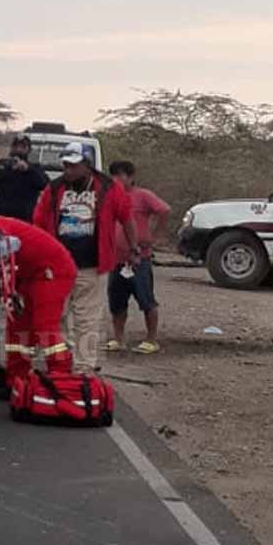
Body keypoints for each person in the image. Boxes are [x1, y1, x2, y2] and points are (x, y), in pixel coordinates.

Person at [33, 142, 138, 372]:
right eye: (65, 165)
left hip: (92, 266)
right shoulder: (54, 188)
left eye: (73, 165)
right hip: (58, 266)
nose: (68, 170)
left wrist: (134, 247)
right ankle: (61, 361)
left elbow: (126, 217)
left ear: (87, 165)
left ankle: (84, 367)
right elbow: (39, 222)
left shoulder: (109, 188)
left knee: (87, 319)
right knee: (55, 317)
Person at [0, 216, 78, 386]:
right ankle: (16, 378)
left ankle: (61, 375)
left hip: (52, 270)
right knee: (17, 326)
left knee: (45, 327)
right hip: (28, 273)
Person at [104, 161, 171, 355]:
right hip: (116, 259)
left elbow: (164, 210)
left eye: (122, 175)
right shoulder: (110, 197)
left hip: (139, 258)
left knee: (146, 298)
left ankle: (151, 340)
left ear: (131, 177)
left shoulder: (142, 196)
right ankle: (118, 338)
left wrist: (156, 236)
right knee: (116, 300)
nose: (117, 179)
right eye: (114, 175)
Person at [0, 134, 49, 221]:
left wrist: (28, 169)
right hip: (1, 219)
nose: (18, 149)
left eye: (23, 147)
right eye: (15, 146)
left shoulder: (35, 168)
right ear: (11, 148)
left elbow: (45, 185)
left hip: (24, 221)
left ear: (29, 150)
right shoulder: (2, 166)